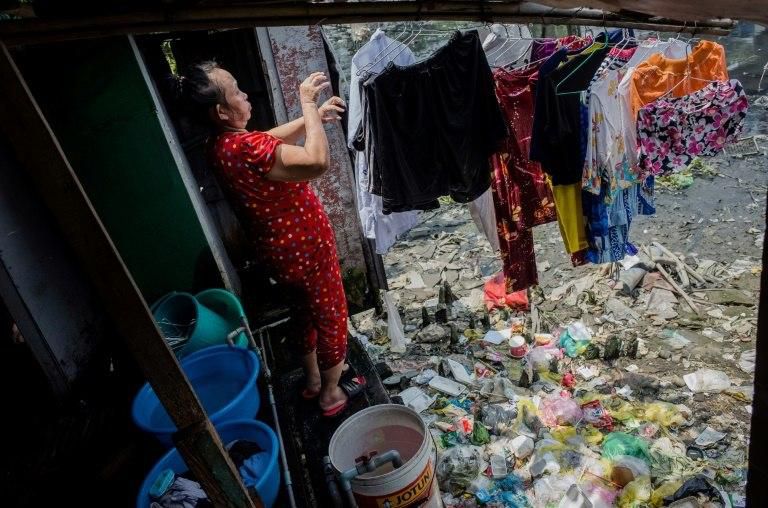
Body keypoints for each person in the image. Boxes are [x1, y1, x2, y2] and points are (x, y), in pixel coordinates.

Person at [176, 61, 365, 417]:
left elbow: (267, 140)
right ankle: (331, 393)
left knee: (302, 315)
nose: (245, 95)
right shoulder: (243, 147)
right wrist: (308, 104)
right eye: (237, 91)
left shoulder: (222, 146)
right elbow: (316, 161)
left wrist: (314, 118)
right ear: (221, 110)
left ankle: (312, 381)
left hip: (279, 254)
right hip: (307, 249)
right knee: (331, 316)